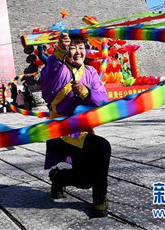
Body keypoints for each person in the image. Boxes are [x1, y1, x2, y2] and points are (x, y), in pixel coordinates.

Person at [40, 32, 110, 217]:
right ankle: (100, 197)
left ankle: (58, 178)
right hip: (61, 129)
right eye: (73, 47)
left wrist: (87, 92)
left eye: (81, 47)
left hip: (83, 130)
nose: (78, 52)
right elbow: (52, 75)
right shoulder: (57, 69)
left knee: (85, 180)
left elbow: (103, 98)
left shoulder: (91, 72)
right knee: (102, 147)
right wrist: (61, 50)